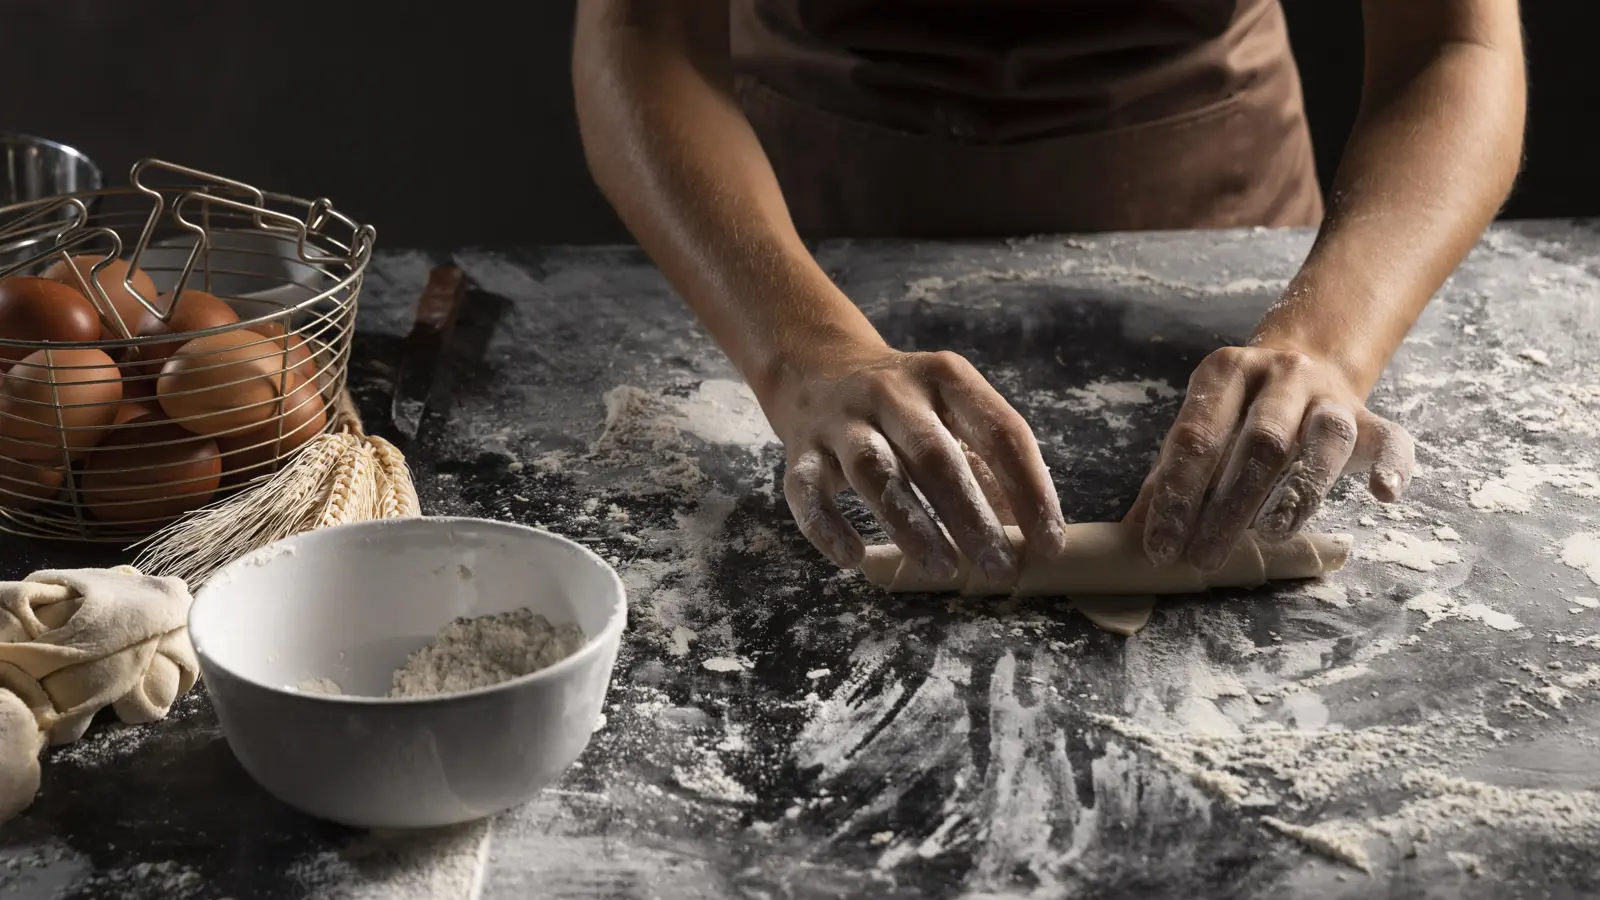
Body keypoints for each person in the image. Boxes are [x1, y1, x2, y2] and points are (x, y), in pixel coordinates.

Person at [572, 0, 1526, 581]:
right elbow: (644, 30)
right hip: (809, 229)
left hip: (1217, 204)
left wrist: (1331, 338)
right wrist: (800, 350)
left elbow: (1455, 43)